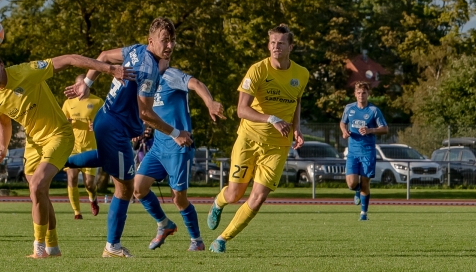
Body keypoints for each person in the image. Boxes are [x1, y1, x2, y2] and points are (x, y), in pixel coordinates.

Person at [0, 51, 127, 259]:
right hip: (33, 142)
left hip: (59, 135)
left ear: (1, 65)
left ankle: (38, 249)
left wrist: (111, 69)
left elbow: (69, 59)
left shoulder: (26, 72)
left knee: (37, 186)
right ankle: (52, 248)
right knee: (39, 193)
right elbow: (3, 121)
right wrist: (3, 147)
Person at [64, 17, 191, 258]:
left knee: (107, 159)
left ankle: (60, 161)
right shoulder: (149, 69)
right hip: (115, 128)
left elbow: (103, 56)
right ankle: (112, 247)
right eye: (165, 40)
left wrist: (87, 83)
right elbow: (146, 113)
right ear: (151, 40)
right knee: (125, 188)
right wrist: (176, 133)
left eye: (172, 40)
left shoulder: (135, 50)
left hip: (106, 119)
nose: (170, 46)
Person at [206, 24, 307, 253]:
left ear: (291, 47)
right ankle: (218, 202)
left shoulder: (302, 74)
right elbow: (241, 110)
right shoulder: (257, 70)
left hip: (278, 145)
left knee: (259, 197)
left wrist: (297, 128)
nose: (275, 47)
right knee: (234, 194)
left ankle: (222, 239)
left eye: (281, 43)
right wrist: (272, 118)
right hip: (249, 139)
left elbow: (296, 101)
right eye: (272, 43)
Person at [133, 65, 225, 252]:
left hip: (179, 147)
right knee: (138, 188)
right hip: (158, 147)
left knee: (178, 199)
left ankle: (196, 241)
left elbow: (196, 83)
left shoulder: (171, 75)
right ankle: (164, 224)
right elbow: (146, 112)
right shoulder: (146, 81)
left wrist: (209, 103)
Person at [340, 82, 388, 221]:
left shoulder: (374, 110)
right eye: (359, 93)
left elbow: (385, 128)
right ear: (355, 94)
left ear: (368, 94)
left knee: (365, 183)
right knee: (351, 183)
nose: (361, 95)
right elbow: (343, 122)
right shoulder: (349, 108)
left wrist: (370, 130)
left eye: (364, 93)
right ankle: (356, 191)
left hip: (367, 152)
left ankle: (363, 214)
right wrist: (344, 131)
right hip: (353, 152)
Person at [61, 92, 104, 219]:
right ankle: (77, 212)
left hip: (90, 148)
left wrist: (97, 125)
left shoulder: (97, 101)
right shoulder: (68, 103)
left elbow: (107, 120)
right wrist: (66, 123)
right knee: (72, 177)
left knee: (89, 184)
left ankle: (93, 198)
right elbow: (60, 123)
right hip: (73, 148)